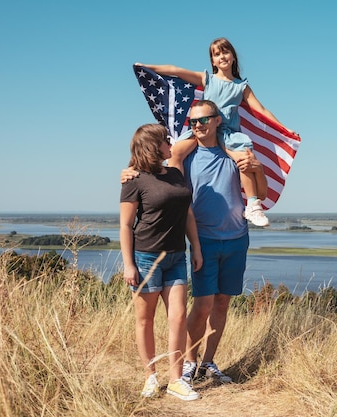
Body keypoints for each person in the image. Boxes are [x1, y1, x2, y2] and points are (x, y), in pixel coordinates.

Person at [122, 99, 266, 386]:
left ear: (217, 121)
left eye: (203, 120)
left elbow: (259, 191)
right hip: (204, 240)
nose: (197, 126)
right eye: (192, 122)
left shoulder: (235, 153)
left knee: (222, 303)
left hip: (237, 238)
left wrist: (258, 168)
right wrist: (127, 172)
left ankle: (208, 363)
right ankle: (188, 362)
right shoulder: (183, 158)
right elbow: (149, 168)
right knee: (201, 306)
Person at [137, 37, 297, 228]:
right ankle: (178, 194)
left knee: (243, 160)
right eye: (217, 54)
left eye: (225, 52)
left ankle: (253, 205)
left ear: (233, 57)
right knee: (177, 151)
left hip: (227, 131)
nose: (222, 56)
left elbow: (261, 110)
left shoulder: (241, 86)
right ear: (212, 61)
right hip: (202, 128)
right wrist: (148, 67)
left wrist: (284, 128)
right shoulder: (208, 79)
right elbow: (176, 71)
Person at [120, 123, 203, 401]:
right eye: (166, 141)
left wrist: (196, 248)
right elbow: (125, 225)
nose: (171, 144)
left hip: (177, 256)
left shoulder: (176, 174)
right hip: (145, 258)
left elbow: (188, 214)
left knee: (178, 317)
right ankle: (150, 377)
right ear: (154, 146)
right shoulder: (133, 180)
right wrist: (129, 264)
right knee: (145, 320)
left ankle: (177, 380)